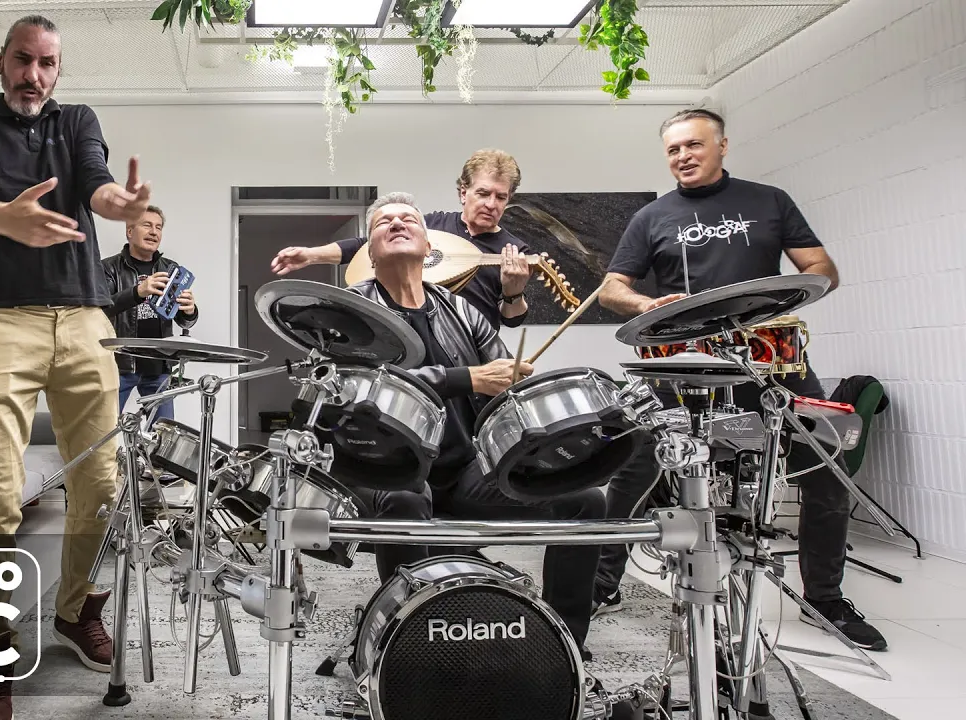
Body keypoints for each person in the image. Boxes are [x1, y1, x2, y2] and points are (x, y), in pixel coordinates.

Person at [0, 14, 152, 717]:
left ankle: (74, 610)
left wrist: (120, 205)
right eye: (23, 60)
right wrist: (4, 218)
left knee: (102, 484)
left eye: (47, 63)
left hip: (84, 318)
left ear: (58, 69)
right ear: (2, 61)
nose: (34, 75)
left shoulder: (76, 119)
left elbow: (98, 185)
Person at [595, 108, 886, 651]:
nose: (683, 156)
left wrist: (780, 297)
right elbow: (612, 289)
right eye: (673, 149)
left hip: (771, 362)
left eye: (693, 145)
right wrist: (644, 304)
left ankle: (825, 599)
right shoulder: (652, 217)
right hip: (683, 367)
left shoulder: (769, 201)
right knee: (632, 472)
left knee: (827, 465)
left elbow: (822, 269)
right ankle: (601, 585)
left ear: (722, 146)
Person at [345, 192, 606, 657]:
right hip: (386, 469)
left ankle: (562, 643)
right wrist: (466, 378)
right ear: (369, 250)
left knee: (585, 499)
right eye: (385, 221)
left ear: (429, 248)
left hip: (463, 471)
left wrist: (517, 384)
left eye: (409, 219)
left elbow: (503, 386)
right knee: (407, 498)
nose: (398, 223)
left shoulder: (463, 311)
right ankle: (407, 642)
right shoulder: (352, 311)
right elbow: (356, 383)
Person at [271, 149, 533, 330]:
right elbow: (366, 246)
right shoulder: (432, 225)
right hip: (418, 335)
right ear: (463, 193)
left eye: (501, 197)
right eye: (483, 193)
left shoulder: (514, 250)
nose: (491, 204)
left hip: (471, 345)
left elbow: (512, 320)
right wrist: (311, 256)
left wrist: (514, 292)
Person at [101, 205, 197, 421]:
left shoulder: (171, 268)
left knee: (163, 432)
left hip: (159, 366)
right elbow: (101, 309)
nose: (154, 232)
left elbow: (183, 321)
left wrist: (190, 311)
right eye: (147, 225)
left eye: (158, 227)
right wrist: (138, 292)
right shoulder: (109, 268)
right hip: (120, 364)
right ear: (129, 231)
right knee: (105, 427)